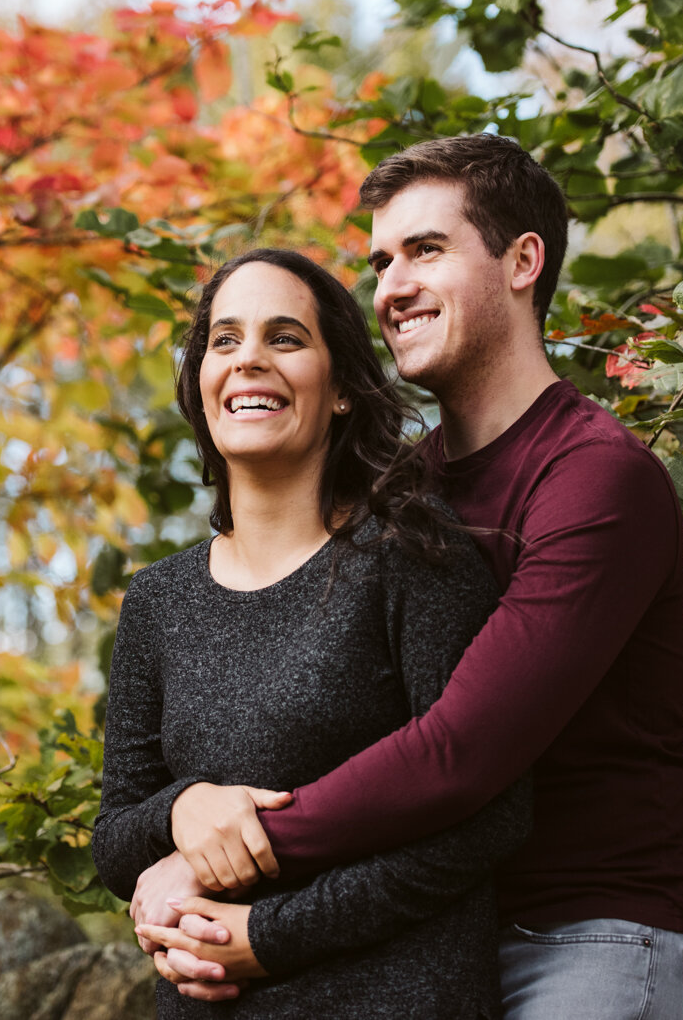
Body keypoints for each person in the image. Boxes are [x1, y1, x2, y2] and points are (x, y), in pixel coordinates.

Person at [135, 136, 683, 1020]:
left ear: (524, 260)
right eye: (381, 260)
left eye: (426, 250)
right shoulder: (401, 495)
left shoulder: (596, 476)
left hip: (593, 930)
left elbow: (458, 753)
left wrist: (231, 849)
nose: (391, 286)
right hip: (435, 928)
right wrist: (183, 812)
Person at [91, 247, 530, 1018]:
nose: (249, 359)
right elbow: (115, 842)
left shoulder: (414, 559)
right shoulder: (158, 601)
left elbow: (491, 815)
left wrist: (268, 934)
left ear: (340, 393)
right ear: (200, 386)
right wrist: (179, 809)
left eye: (285, 338)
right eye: (223, 341)